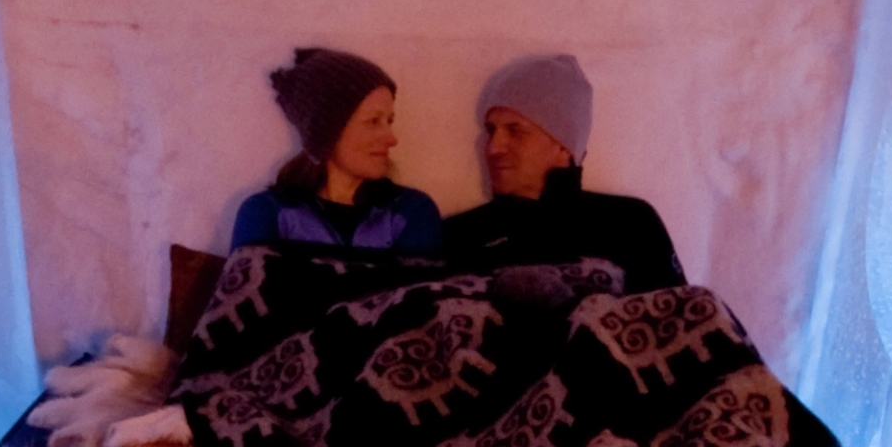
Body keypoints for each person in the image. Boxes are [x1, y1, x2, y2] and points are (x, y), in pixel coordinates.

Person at [442, 53, 685, 290]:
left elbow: (680, 322)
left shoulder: (629, 224)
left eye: (515, 131)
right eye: (491, 130)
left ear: (564, 147)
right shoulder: (457, 235)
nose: (493, 147)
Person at [228, 47, 443, 254]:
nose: (392, 139)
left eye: (390, 121)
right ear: (326, 133)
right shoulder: (267, 213)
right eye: (373, 121)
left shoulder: (411, 211)